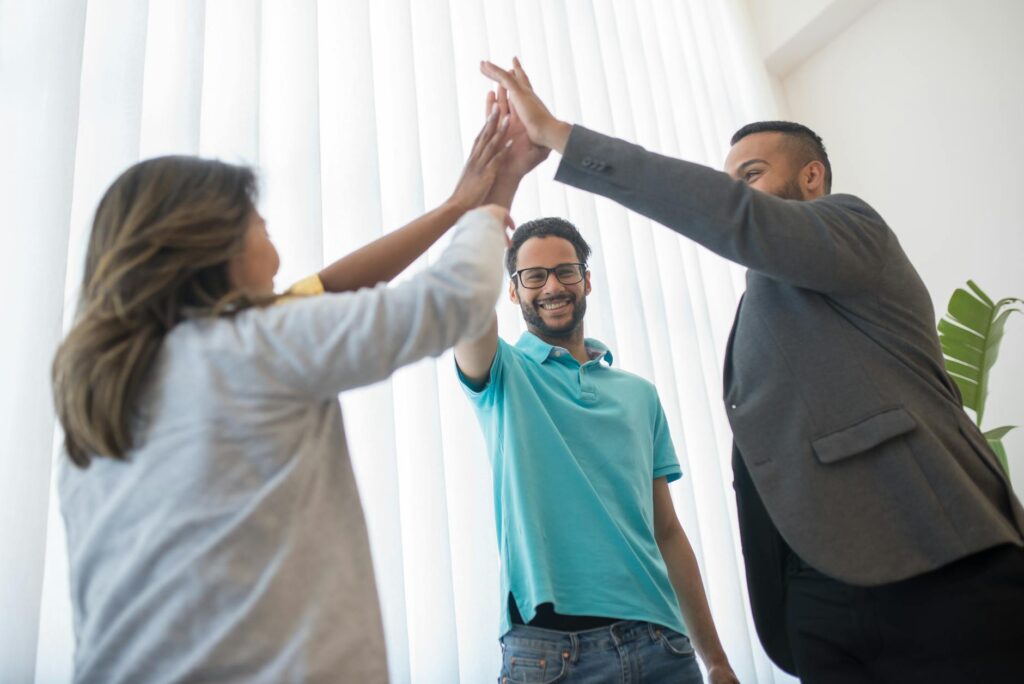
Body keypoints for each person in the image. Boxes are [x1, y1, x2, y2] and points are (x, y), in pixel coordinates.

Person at [480, 57, 1024, 683]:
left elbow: (734, 216)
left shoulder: (856, 230)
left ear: (812, 176)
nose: (736, 190)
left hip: (932, 561)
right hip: (822, 602)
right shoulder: (758, 305)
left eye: (752, 175)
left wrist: (558, 135)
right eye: (730, 178)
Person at [52, 105, 513, 683]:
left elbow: (329, 290)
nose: (273, 242)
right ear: (210, 244)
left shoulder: (97, 410)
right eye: (257, 222)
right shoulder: (250, 349)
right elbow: (451, 301)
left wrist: (454, 208)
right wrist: (490, 213)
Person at [456, 90, 738, 683]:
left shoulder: (639, 394)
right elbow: (462, 300)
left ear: (587, 282)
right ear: (513, 291)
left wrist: (715, 658)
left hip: (665, 647)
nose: (551, 285)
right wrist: (498, 187)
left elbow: (667, 531)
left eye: (564, 271)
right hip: (554, 653)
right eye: (533, 275)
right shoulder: (504, 375)